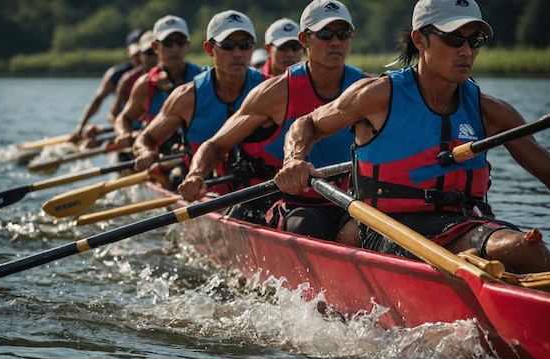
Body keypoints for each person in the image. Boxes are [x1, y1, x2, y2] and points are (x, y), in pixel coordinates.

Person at [278, 0, 550, 273]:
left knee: (523, 251)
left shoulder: (489, 110)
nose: (466, 51)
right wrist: (293, 160)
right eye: (454, 38)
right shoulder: (377, 96)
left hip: (463, 224)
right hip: (388, 228)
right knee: (521, 248)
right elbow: (308, 123)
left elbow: (549, 173)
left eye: (475, 40)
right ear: (420, 39)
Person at [178, 0, 367, 240]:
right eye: (325, 34)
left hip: (352, 202)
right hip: (299, 205)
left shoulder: (367, 90)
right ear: (305, 40)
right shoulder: (276, 93)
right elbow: (216, 145)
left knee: (365, 233)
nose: (335, 41)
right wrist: (195, 175)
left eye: (344, 33)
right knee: (310, 228)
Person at [131, 10, 266, 192]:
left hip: (259, 188)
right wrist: (145, 152)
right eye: (227, 45)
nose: (237, 53)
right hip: (203, 187)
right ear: (209, 49)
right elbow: (146, 138)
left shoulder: (270, 88)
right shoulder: (187, 96)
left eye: (245, 44)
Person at [114, 15, 204, 154]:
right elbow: (123, 118)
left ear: (187, 45)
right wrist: (124, 134)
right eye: (168, 43)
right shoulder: (145, 84)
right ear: (155, 47)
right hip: (157, 155)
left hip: (193, 154)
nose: (175, 49)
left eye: (180, 42)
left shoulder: (202, 78)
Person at [69, 29, 146, 144]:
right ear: (128, 52)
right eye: (137, 54)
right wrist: (80, 128)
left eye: (146, 53)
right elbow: (97, 100)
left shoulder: (162, 74)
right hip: (125, 127)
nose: (141, 58)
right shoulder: (118, 76)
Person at [107, 30, 159, 129]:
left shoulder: (176, 76)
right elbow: (113, 114)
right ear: (140, 55)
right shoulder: (127, 80)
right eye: (149, 53)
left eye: (154, 53)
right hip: (134, 130)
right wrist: (122, 132)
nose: (153, 58)